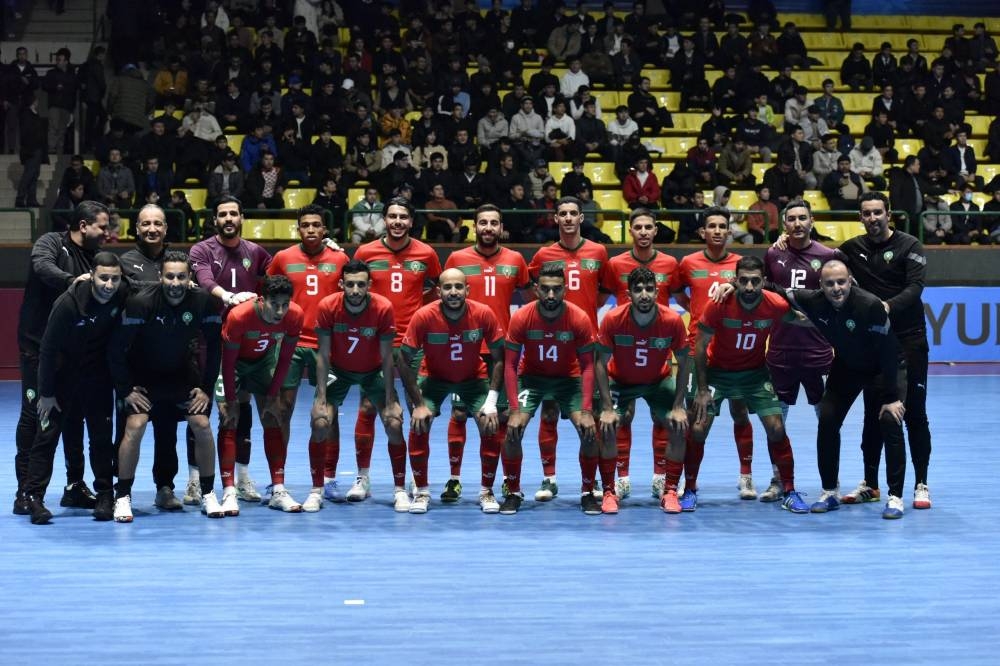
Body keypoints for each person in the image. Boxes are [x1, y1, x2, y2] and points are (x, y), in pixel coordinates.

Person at [783, 260, 908, 519]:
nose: (836, 288)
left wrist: (892, 397)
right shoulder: (814, 300)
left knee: (888, 420)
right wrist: (732, 285)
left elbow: (887, 352)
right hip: (847, 366)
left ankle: (895, 496)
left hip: (884, 368)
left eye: (841, 282)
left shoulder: (870, 305)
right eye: (830, 284)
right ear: (821, 286)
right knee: (827, 420)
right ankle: (830, 492)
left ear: (850, 281)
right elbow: (775, 289)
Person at [108, 251, 224, 521]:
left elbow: (215, 346)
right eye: (169, 276)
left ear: (189, 278)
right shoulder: (141, 303)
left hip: (180, 376)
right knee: (135, 426)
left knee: (203, 426)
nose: (175, 282)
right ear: (160, 277)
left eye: (181, 277)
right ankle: (122, 496)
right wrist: (126, 389)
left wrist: (206, 389)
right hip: (143, 378)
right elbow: (116, 350)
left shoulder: (203, 302)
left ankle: (208, 493)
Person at [690, 256, 809, 514]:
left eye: (755, 281)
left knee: (777, 428)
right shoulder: (719, 304)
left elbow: (800, 318)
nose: (749, 287)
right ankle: (689, 489)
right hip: (716, 374)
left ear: (764, 281)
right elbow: (699, 347)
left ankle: (789, 490)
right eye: (743, 280)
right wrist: (701, 390)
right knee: (698, 429)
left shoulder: (775, 304)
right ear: (735, 280)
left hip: (755, 374)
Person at [13, 200, 110, 517]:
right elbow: (42, 268)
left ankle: (74, 487)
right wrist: (73, 281)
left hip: (72, 354)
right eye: (102, 227)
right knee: (35, 415)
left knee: (75, 418)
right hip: (36, 348)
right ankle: (24, 493)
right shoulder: (51, 243)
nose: (107, 234)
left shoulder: (94, 258)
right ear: (84, 226)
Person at [837, 192, 932, 510]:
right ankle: (871, 484)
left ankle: (920, 483)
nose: (873, 218)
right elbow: (820, 258)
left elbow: (916, 287)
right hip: (874, 344)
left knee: (914, 414)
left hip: (910, 339)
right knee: (872, 415)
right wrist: (784, 239)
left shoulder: (910, 246)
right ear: (860, 218)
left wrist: (886, 307)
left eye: (878, 212)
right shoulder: (851, 249)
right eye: (866, 213)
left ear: (888, 214)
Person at [23, 252, 128, 524]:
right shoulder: (68, 303)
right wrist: (46, 394)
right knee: (47, 436)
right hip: (61, 377)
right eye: (104, 278)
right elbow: (47, 350)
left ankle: (105, 494)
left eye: (115, 279)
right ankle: (33, 497)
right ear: (91, 275)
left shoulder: (121, 293)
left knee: (101, 437)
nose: (109, 284)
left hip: (97, 376)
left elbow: (149, 289)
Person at [352, 197, 442, 505]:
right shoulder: (366, 252)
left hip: (414, 343)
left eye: (403, 216)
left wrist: (421, 313)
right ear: (384, 220)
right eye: (392, 216)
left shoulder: (426, 253)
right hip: (376, 342)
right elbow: (356, 288)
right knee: (367, 407)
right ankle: (363, 477)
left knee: (418, 411)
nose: (397, 222)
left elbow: (437, 289)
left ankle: (418, 479)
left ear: (411, 221)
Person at [526, 196, 613, 502]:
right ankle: (549, 479)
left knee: (589, 414)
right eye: (562, 213)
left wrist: (586, 314)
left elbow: (605, 291)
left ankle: (593, 483)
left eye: (573, 213)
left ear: (580, 217)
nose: (567, 218)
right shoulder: (544, 254)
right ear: (556, 218)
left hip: (586, 344)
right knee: (548, 413)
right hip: (552, 344)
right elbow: (530, 287)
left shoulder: (598, 251)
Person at [398, 269, 506, 514]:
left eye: (459, 287)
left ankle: (486, 492)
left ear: (468, 290)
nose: (454, 292)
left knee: (490, 425)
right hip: (434, 378)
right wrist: (418, 404)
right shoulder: (424, 316)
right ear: (439, 291)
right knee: (419, 423)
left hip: (473, 378)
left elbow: (500, 358)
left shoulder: (483, 314)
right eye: (448, 287)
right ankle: (422, 491)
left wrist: (491, 401)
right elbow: (403, 360)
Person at [442, 205, 531, 498]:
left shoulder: (515, 260)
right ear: (475, 226)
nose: (488, 227)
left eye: (494, 222)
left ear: (501, 227)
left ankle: (505, 479)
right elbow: (445, 298)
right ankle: (454, 478)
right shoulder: (457, 259)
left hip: (502, 351)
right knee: (458, 413)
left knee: (501, 416)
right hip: (464, 349)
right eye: (483, 223)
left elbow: (531, 301)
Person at [188, 196, 272, 505]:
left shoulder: (256, 252)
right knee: (200, 405)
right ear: (215, 220)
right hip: (207, 339)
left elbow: (281, 275)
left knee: (242, 407)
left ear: (241, 218)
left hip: (245, 341)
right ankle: (195, 480)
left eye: (233, 214)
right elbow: (204, 279)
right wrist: (228, 297)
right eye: (222, 214)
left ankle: (243, 476)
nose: (228, 218)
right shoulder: (202, 250)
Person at [672, 208, 758, 506]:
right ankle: (690, 483)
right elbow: (679, 296)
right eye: (712, 226)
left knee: (740, 412)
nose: (718, 231)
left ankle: (746, 475)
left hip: (735, 352)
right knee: (698, 423)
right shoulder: (688, 263)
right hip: (699, 352)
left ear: (729, 231)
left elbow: (756, 286)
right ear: (703, 232)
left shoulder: (740, 265)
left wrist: (733, 285)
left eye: (723, 226)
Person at [266, 205, 350, 510]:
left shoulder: (340, 259)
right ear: (298, 229)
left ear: (325, 230)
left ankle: (328, 479)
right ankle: (279, 480)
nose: (311, 230)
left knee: (329, 410)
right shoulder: (283, 258)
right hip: (289, 342)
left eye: (317, 225)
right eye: (305, 225)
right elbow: (269, 294)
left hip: (327, 345)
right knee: (281, 408)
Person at [501, 264, 599, 515]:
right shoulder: (522, 316)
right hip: (531, 379)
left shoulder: (578, 317)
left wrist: (587, 410)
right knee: (512, 429)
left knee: (589, 430)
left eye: (556, 289)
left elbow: (588, 367)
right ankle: (513, 492)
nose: (551, 295)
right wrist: (513, 409)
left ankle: (588, 492)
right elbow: (510, 366)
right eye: (545, 289)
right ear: (536, 290)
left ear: (565, 290)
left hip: (569, 378)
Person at [311, 260, 408, 511]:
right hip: (338, 371)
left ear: (369, 286)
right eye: (350, 284)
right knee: (320, 422)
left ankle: (399, 489)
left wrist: (390, 399)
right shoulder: (327, 306)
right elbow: (322, 355)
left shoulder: (383, 307)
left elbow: (388, 357)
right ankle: (317, 489)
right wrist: (320, 399)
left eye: (361, 285)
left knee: (394, 423)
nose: (355, 290)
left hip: (373, 371)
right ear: (342, 284)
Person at [595, 266, 692, 513]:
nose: (644, 295)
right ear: (629, 294)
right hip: (620, 380)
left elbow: (685, 361)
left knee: (679, 424)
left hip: (658, 382)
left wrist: (679, 406)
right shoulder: (613, 319)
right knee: (606, 424)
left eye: (649, 289)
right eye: (638, 290)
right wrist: (606, 407)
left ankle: (669, 490)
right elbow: (599, 363)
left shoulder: (671, 321)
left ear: (657, 291)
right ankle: (609, 491)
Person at [602, 208, 680, 498]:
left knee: (664, 418)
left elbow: (683, 297)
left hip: (657, 347)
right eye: (639, 227)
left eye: (649, 227)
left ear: (656, 230)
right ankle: (622, 479)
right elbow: (603, 296)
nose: (644, 232)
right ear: (630, 231)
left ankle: (661, 477)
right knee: (624, 416)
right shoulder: (614, 264)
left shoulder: (672, 263)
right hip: (625, 349)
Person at [760, 200, 837, 497]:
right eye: (791, 219)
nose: (797, 223)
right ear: (784, 224)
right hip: (781, 353)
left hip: (819, 354)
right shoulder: (773, 253)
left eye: (802, 218)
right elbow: (763, 291)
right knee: (775, 424)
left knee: (828, 423)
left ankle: (830, 484)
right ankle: (778, 479)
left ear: (812, 220)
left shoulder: (828, 256)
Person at [216, 275, 304, 514]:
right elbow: (229, 362)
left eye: (285, 304)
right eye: (275, 304)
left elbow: (284, 359)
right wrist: (232, 400)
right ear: (262, 300)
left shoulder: (294, 315)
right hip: (230, 363)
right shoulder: (239, 316)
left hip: (263, 362)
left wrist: (273, 396)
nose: (280, 310)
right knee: (229, 418)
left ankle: (278, 489)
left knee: (274, 417)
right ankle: (229, 492)